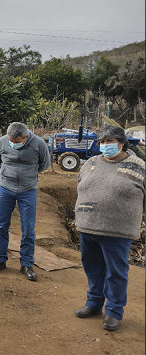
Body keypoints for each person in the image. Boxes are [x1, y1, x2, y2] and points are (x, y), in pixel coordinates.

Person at [73, 125, 144, 332]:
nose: (105, 145)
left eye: (110, 142)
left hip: (117, 231)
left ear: (122, 143)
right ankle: (94, 304)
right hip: (87, 227)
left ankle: (113, 312)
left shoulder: (138, 166)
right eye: (102, 142)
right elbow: (81, 186)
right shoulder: (91, 163)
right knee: (93, 268)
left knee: (116, 273)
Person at [0, 122, 50, 281]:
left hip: (28, 190)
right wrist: (6, 174)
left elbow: (44, 165)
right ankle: (0, 259)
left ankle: (27, 264)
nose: (13, 144)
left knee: (28, 229)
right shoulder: (1, 142)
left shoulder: (39, 144)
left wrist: (28, 175)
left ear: (26, 137)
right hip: (5, 188)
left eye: (16, 142)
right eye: (11, 141)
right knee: (2, 225)